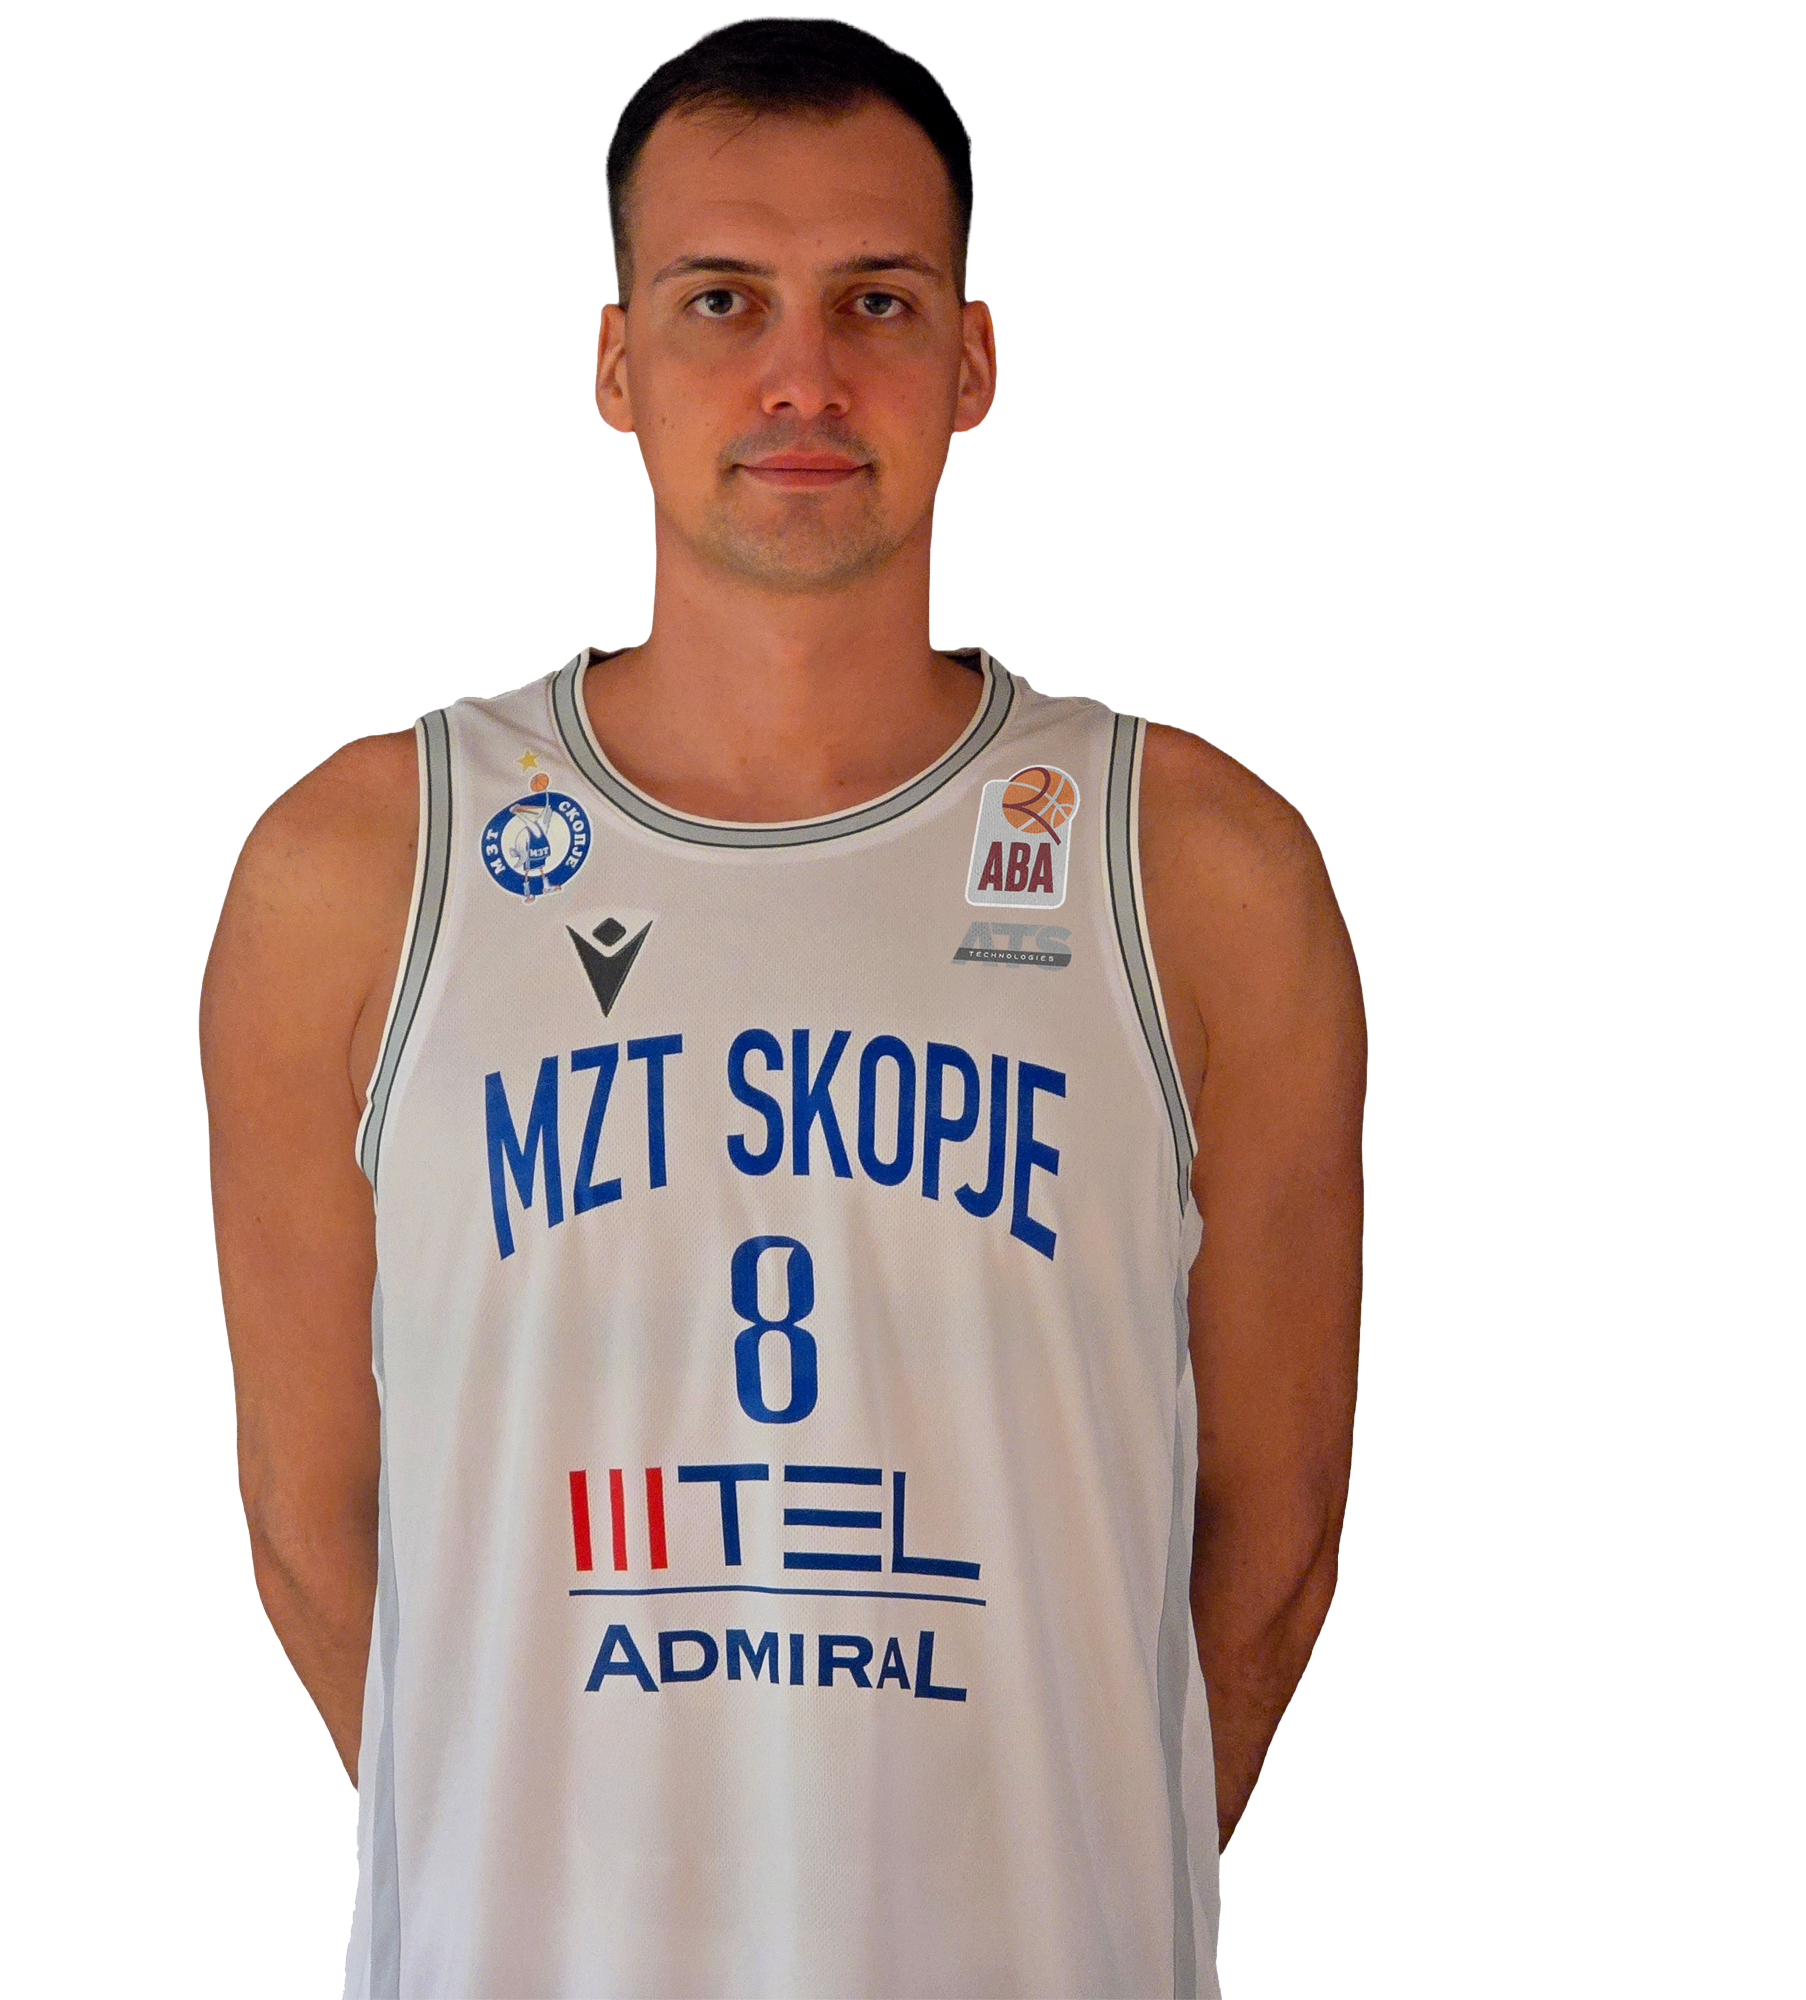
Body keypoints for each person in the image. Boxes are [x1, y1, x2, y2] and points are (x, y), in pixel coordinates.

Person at [201, 17, 1364, 1998]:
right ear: (616, 361)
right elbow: (316, 1533)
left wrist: (1053, 1877)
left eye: (876, 301)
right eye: (722, 299)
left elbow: (1271, 1554)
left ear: (973, 358)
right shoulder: (362, 871)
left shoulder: (1194, 870)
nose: (803, 376)